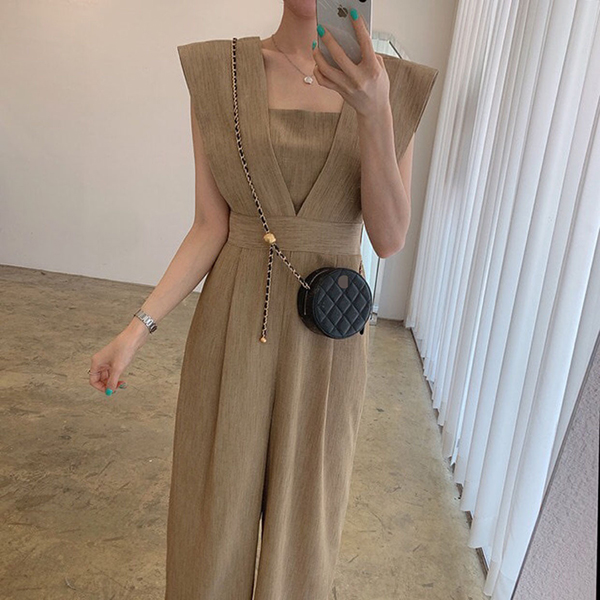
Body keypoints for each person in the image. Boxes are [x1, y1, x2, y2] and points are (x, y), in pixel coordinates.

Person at [88, 1, 438, 597]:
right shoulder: (217, 73)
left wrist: (375, 110)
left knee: (306, 523)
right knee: (211, 512)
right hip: (233, 318)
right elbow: (210, 225)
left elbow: (388, 238)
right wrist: (135, 330)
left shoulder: (393, 87)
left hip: (329, 341)